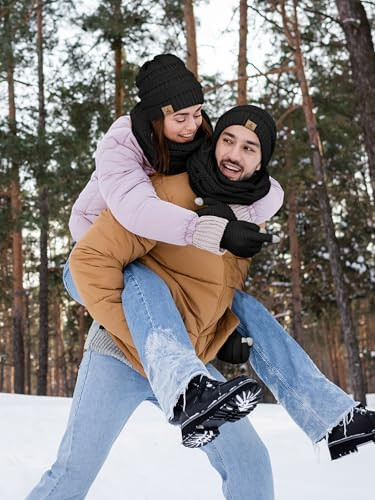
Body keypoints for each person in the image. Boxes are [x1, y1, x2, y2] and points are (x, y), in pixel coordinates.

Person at [68, 104, 375, 461]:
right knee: (72, 471)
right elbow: (88, 261)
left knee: (247, 313)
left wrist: (222, 333)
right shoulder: (165, 191)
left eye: (249, 147)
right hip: (127, 345)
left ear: (261, 162)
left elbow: (221, 286)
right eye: (228, 140)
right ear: (213, 144)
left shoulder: (248, 213)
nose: (234, 154)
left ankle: (333, 418)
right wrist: (155, 340)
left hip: (187, 356)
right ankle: (186, 395)